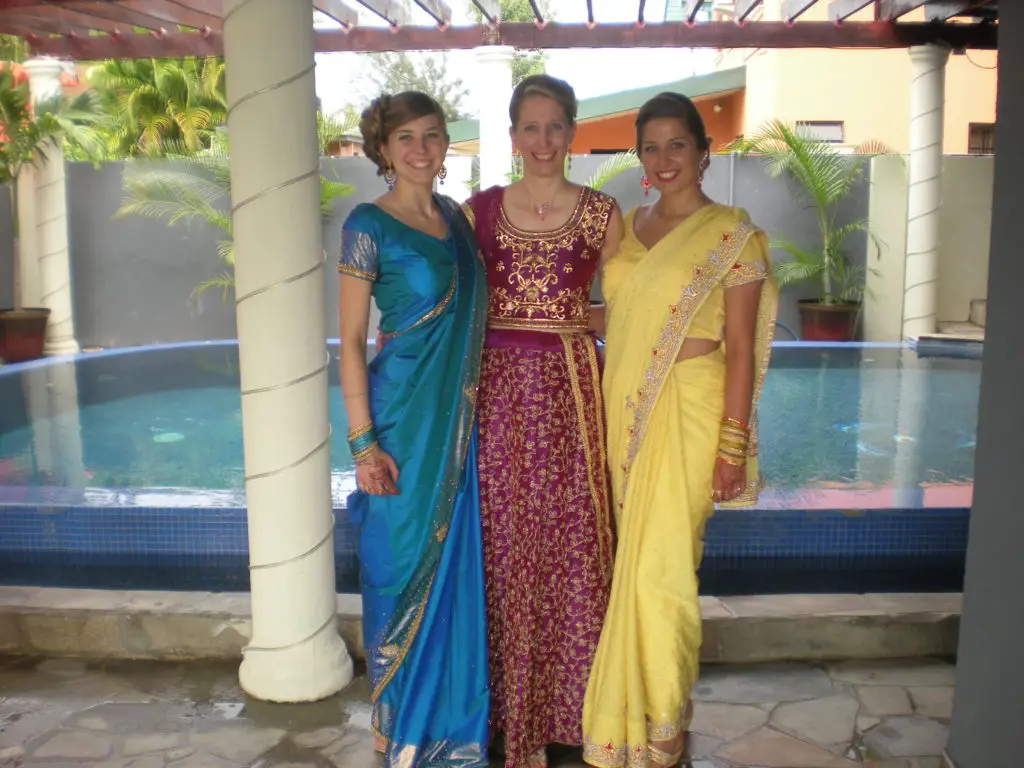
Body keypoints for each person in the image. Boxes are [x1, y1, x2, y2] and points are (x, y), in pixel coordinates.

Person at [581, 92, 778, 768]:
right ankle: (632, 716)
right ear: (640, 158)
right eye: (651, 147)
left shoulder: (734, 235)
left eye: (676, 145)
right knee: (627, 570)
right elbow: (622, 319)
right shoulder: (626, 229)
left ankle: (664, 725)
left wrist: (732, 444)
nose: (664, 159)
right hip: (621, 409)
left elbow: (743, 350)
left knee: (662, 573)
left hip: (690, 411)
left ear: (703, 151)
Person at [461, 74, 624, 768]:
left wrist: (587, 319)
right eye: (530, 127)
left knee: (570, 540)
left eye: (555, 126)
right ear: (511, 135)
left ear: (573, 132)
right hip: (496, 395)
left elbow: (631, 304)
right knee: (498, 543)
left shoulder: (601, 213)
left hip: (569, 392)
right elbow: (455, 305)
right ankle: (498, 712)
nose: (543, 141)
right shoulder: (479, 211)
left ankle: (570, 709)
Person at [337, 90, 490, 768]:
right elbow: (347, 341)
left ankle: (456, 719)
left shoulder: (457, 218)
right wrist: (364, 443)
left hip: (457, 422)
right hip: (400, 419)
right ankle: (394, 719)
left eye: (433, 135)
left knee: (455, 566)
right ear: (383, 148)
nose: (423, 149)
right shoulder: (367, 223)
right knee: (397, 564)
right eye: (406, 138)